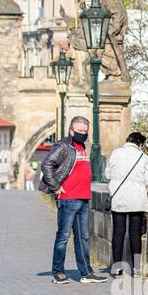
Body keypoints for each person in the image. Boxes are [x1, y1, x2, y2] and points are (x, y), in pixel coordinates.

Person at [39, 116, 108, 285]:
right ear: (71, 130)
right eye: (79, 131)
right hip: (68, 198)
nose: (83, 134)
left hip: (83, 198)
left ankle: (85, 273)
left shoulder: (82, 146)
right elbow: (46, 164)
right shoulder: (64, 146)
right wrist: (55, 187)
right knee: (63, 236)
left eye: (85, 132)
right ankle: (58, 272)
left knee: (83, 237)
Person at [106, 131, 148, 277]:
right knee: (135, 234)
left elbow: (107, 174)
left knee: (118, 233)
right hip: (137, 199)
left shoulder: (115, 153)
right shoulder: (143, 157)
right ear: (140, 144)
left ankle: (116, 267)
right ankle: (136, 269)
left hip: (119, 199)